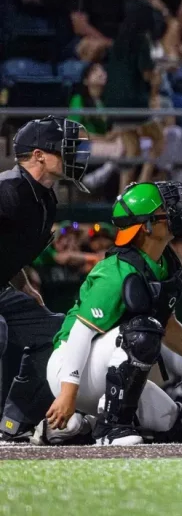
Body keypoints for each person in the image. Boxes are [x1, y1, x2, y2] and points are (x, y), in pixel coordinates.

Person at [41, 181, 182, 446]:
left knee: (176, 427)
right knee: (142, 330)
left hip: (109, 363)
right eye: (166, 209)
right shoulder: (115, 270)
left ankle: (83, 426)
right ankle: (110, 428)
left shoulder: (164, 264)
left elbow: (166, 324)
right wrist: (68, 392)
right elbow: (81, 332)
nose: (175, 212)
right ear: (146, 226)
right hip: (70, 366)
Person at [0, 118, 90, 442]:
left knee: (57, 330)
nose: (75, 155)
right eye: (66, 148)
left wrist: (22, 284)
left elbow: (7, 248)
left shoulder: (45, 199)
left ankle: (14, 421)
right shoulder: (7, 190)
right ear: (39, 154)